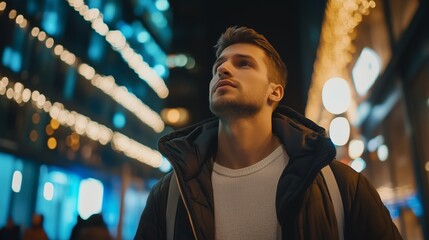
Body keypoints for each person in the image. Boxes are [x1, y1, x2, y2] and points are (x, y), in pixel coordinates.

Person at [134, 26, 402, 239]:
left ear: (275, 91)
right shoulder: (169, 196)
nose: (223, 69)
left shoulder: (342, 187)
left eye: (244, 64)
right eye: (218, 67)